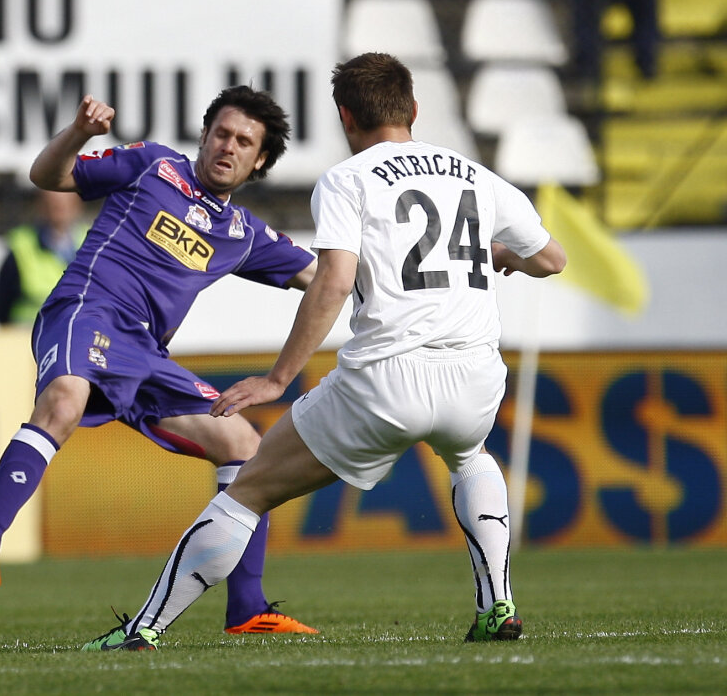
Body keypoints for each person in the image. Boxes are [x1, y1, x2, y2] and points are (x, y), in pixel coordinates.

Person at [83, 52, 567, 651]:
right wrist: (501, 255)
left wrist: (276, 378)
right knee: (470, 457)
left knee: (248, 490)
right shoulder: (474, 175)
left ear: (345, 117)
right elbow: (551, 259)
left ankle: (143, 629)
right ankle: (497, 604)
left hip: (387, 378)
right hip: (475, 376)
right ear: (414, 110)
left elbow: (334, 280)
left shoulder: (348, 179)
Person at [0, 87, 321, 637]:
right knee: (64, 401)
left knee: (244, 445)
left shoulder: (243, 234)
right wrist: (79, 133)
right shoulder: (153, 165)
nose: (228, 146)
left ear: (260, 160)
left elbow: (327, 280)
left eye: (244, 142)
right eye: (221, 133)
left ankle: (247, 607)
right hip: (87, 310)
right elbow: (47, 175)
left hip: (146, 355)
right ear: (204, 135)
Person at [0, 188, 88, 327]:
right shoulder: (22, 246)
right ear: (40, 206)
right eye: (53, 205)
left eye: (63, 206)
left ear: (78, 205)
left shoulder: (95, 242)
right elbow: (3, 308)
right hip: (30, 334)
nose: (58, 212)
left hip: (81, 333)